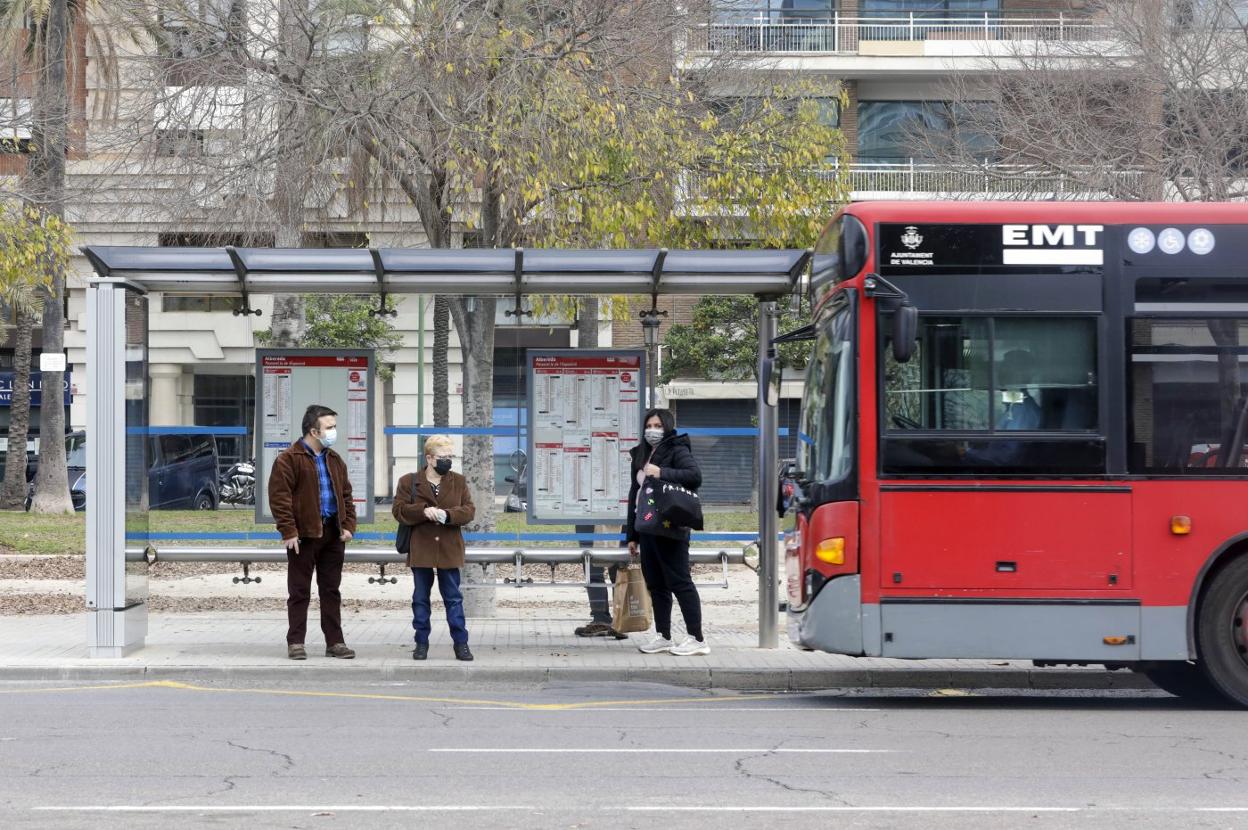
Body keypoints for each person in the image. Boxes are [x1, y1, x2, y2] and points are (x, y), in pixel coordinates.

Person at [268, 404, 357, 661]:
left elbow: (347, 496)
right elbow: (280, 498)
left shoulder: (335, 459)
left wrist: (349, 526)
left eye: (334, 427)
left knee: (331, 590)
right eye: (329, 427)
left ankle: (335, 642)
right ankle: (295, 642)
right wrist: (289, 531)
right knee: (299, 591)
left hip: (333, 534)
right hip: (303, 536)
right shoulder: (288, 459)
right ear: (313, 431)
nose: (333, 432)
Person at [626, 408, 709, 657]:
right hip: (647, 527)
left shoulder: (677, 448)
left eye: (658, 425)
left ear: (667, 427)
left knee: (680, 582)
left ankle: (697, 638)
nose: (652, 430)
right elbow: (635, 495)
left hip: (671, 527)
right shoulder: (641, 454)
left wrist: (662, 472)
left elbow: (694, 476)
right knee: (657, 584)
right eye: (649, 425)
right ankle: (663, 635)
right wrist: (631, 535)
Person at [393, 435, 476, 662]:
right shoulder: (408, 481)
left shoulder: (458, 481)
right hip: (421, 548)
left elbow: (469, 510)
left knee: (453, 599)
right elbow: (398, 510)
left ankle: (461, 644)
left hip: (449, 548)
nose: (448, 461)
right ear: (429, 458)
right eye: (443, 457)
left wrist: (447, 515)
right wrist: (422, 511)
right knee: (421, 598)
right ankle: (421, 643)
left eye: (451, 457)